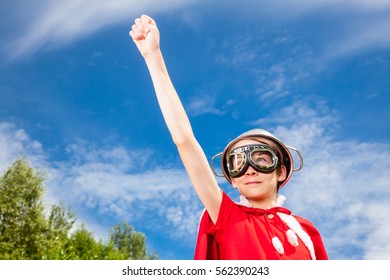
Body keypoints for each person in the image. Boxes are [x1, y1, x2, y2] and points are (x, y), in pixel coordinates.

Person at [129, 15, 328, 260]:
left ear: (282, 171)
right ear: (232, 180)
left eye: (262, 159)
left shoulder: (307, 233)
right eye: (238, 163)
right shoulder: (227, 217)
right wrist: (152, 56)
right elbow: (183, 139)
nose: (249, 170)